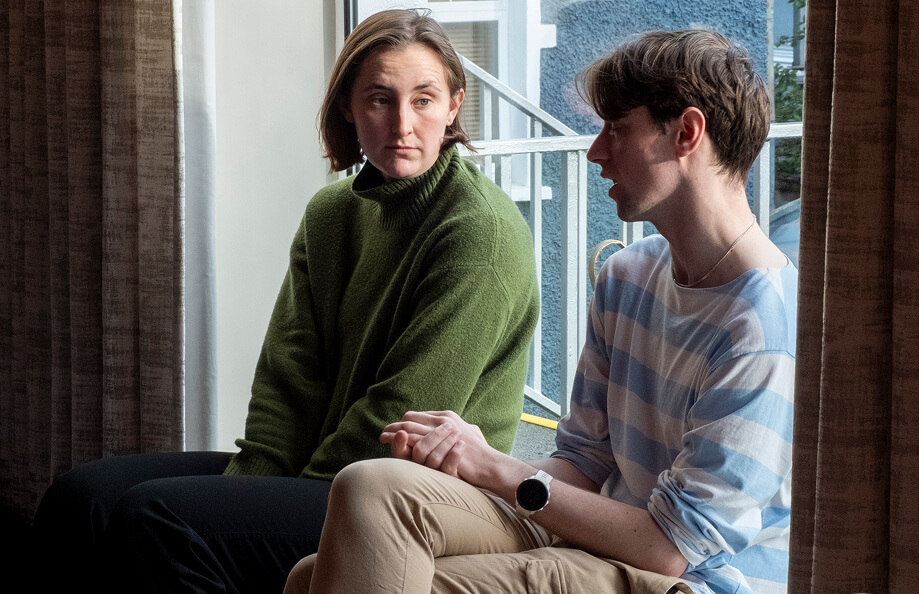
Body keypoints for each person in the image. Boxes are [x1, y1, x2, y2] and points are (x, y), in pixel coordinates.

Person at [32, 9, 538, 593]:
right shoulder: (333, 213)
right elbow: (289, 374)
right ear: (348, 105)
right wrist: (254, 482)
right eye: (380, 98)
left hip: (414, 495)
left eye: (423, 100)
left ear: (453, 107)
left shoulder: (480, 233)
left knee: (160, 516)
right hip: (318, 473)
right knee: (82, 498)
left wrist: (273, 501)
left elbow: (401, 417)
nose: (403, 123)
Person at [284, 28, 797, 594]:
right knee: (366, 487)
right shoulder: (629, 275)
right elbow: (581, 460)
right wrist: (464, 453)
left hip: (693, 578)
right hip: (599, 535)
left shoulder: (762, 328)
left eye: (617, 130)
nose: (595, 151)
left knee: (326, 579)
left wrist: (493, 466)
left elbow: (672, 547)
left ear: (687, 133)